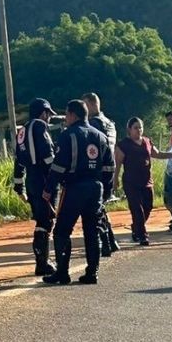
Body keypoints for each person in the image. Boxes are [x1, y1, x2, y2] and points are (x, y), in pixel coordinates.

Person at [42, 99, 115, 285]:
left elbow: (58, 167)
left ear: (73, 115)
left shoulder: (68, 135)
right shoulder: (100, 136)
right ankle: (92, 273)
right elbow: (109, 167)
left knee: (62, 231)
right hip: (95, 188)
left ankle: (62, 273)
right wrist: (106, 190)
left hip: (74, 188)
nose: (65, 118)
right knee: (92, 231)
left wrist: (49, 189)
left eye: (66, 114)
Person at [13, 97, 58, 275]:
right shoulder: (40, 126)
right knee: (46, 220)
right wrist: (57, 177)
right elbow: (48, 156)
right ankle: (43, 263)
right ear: (43, 113)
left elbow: (18, 162)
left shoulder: (22, 131)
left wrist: (19, 186)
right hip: (43, 179)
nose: (49, 118)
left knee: (41, 219)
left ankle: (42, 261)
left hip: (31, 180)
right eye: (49, 114)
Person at [114, 117, 172, 246]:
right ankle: (143, 235)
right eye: (135, 128)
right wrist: (115, 181)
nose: (138, 130)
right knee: (137, 209)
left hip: (147, 181)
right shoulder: (123, 145)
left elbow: (157, 154)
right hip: (131, 182)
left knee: (148, 207)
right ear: (129, 130)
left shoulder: (147, 142)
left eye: (140, 127)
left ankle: (136, 228)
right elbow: (118, 164)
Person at [82, 92, 120, 256]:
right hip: (108, 170)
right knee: (100, 208)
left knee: (95, 210)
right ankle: (110, 241)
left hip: (97, 171)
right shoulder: (109, 123)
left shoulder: (94, 124)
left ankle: (105, 242)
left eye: (84, 105)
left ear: (91, 104)